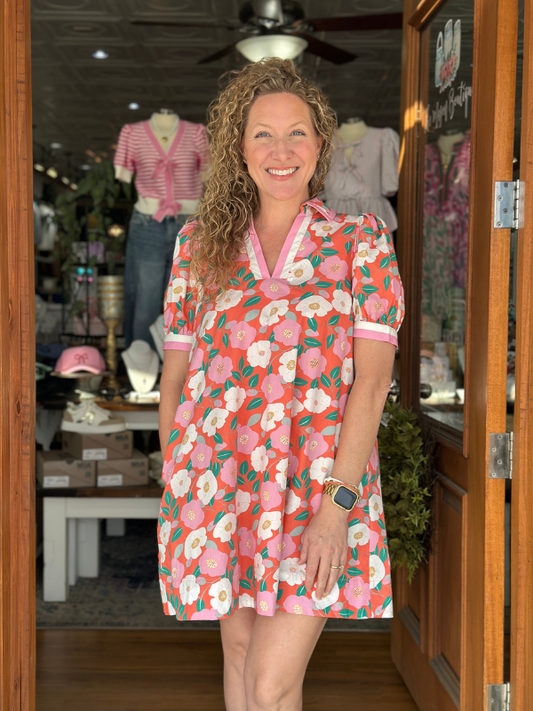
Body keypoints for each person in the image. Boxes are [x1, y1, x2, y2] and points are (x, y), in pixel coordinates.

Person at [158, 58, 404, 711]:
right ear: (239, 148)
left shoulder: (360, 243)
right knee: (239, 658)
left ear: (320, 144)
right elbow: (176, 376)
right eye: (262, 134)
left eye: (296, 133)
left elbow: (372, 381)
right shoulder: (196, 246)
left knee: (271, 681)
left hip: (316, 491)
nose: (280, 149)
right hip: (218, 489)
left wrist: (338, 507)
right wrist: (180, 484)